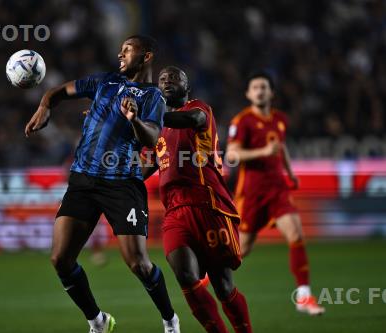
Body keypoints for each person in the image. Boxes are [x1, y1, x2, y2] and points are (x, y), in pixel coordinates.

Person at [25, 35, 180, 333]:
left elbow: (151, 137)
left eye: (127, 50)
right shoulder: (103, 82)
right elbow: (60, 91)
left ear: (146, 56)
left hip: (122, 184)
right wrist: (45, 104)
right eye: (120, 49)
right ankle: (97, 321)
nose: (120, 55)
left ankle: (170, 320)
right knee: (60, 258)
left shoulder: (153, 97)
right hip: (83, 178)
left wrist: (133, 119)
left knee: (138, 264)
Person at [142, 66, 253, 333]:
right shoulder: (156, 131)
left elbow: (192, 119)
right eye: (163, 79)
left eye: (174, 78)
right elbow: (143, 169)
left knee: (223, 286)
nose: (167, 81)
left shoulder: (199, 109)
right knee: (186, 277)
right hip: (175, 212)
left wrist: (153, 117)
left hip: (208, 203)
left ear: (186, 86)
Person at [226, 71, 325, 316]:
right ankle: (205, 279)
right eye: (255, 87)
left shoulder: (280, 119)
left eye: (264, 87)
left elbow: (280, 148)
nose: (260, 91)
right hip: (251, 194)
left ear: (271, 92)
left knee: (296, 233)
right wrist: (262, 152)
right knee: (241, 250)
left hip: (277, 190)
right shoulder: (242, 121)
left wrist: (290, 173)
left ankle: (303, 296)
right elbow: (231, 154)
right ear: (248, 94)